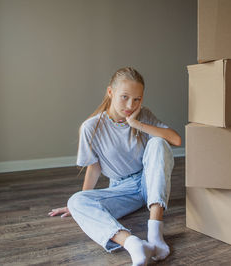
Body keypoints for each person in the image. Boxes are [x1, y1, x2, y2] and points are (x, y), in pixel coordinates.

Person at [48, 67, 181, 266]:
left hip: (149, 181)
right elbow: (94, 169)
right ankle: (133, 244)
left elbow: (176, 140)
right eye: (125, 97)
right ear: (110, 92)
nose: (130, 105)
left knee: (158, 142)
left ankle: (155, 235)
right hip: (123, 189)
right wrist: (84, 201)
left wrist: (136, 124)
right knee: (76, 201)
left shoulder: (143, 116)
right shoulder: (90, 128)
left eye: (137, 99)